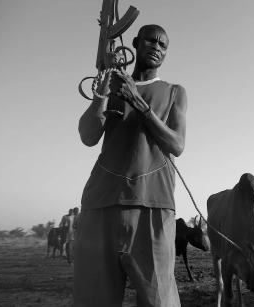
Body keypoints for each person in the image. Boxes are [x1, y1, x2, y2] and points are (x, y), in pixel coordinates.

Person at [76, 24, 187, 307]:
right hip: (101, 202)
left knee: (159, 300)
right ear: (136, 43)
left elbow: (177, 145)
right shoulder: (112, 85)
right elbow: (89, 136)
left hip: (153, 206)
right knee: (93, 300)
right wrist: (104, 84)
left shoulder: (174, 92)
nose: (157, 47)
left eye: (164, 45)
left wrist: (136, 101)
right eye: (151, 40)